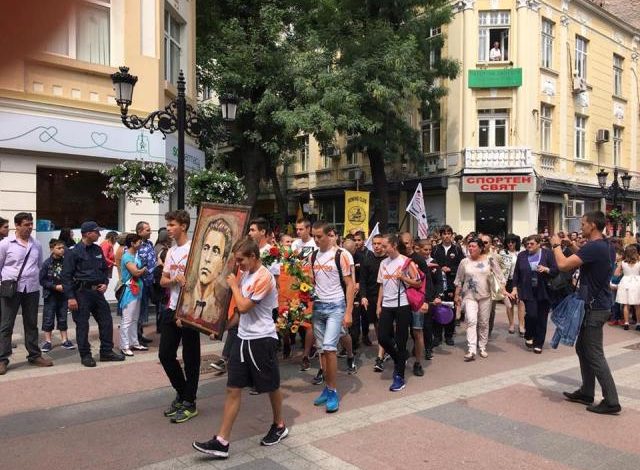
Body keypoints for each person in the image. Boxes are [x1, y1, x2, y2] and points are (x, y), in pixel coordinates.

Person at [192, 239, 289, 459]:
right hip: (243, 339)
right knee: (233, 388)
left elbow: (244, 306)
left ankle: (279, 425)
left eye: (241, 260)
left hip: (262, 339)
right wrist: (221, 328)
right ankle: (222, 441)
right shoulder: (245, 275)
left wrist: (234, 286)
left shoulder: (264, 277)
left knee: (271, 386)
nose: (238, 264)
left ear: (253, 256)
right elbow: (238, 312)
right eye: (237, 260)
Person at [550, 211, 621, 415]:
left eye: (583, 224)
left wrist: (556, 246)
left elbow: (563, 265)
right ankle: (587, 392)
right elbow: (585, 255)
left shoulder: (594, 247)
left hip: (594, 308)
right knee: (583, 348)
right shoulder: (605, 245)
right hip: (598, 305)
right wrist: (571, 245)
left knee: (594, 353)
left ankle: (611, 401)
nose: (580, 227)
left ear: (593, 226)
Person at [62, 221, 124, 367]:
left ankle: (106, 352)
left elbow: (104, 269)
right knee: (82, 325)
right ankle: (85, 355)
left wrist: (105, 283)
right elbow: (66, 276)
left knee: (106, 321)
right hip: (81, 293)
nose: (99, 234)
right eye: (96, 232)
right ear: (88, 233)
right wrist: (70, 297)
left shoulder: (97, 249)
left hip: (97, 292)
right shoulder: (73, 252)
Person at [159, 210, 201, 423]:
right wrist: (175, 279)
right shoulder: (171, 251)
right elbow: (163, 281)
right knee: (165, 355)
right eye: (168, 225)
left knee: (191, 358)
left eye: (172, 225)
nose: (169, 229)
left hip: (190, 310)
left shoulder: (195, 249)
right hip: (171, 308)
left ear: (183, 226)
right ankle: (183, 393)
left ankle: (189, 402)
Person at [310, 221, 354, 413]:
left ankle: (333, 392)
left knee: (329, 348)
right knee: (321, 350)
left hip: (336, 306)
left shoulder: (341, 255)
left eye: (319, 236)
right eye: (314, 236)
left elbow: (350, 284)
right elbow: (312, 282)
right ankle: (327, 389)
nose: (316, 239)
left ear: (330, 235)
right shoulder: (313, 255)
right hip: (318, 307)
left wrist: (348, 312)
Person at [0, 212, 52, 374]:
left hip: (31, 289)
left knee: (31, 323)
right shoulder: (5, 244)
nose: (30, 227)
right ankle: (2, 359)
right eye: (26, 225)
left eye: (31, 224)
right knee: (6, 324)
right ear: (17, 225)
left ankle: (34, 355)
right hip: (11, 289)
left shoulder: (36, 244)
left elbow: (39, 265)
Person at [376, 234, 422, 390]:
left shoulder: (406, 261)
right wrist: (378, 305)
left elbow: (418, 283)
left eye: (385, 246)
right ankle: (399, 358)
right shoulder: (383, 263)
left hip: (402, 305)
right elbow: (381, 285)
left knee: (401, 341)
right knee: (382, 337)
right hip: (387, 305)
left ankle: (399, 377)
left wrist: (404, 278)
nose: (382, 248)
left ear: (394, 245)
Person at [454, 238, 509, 362]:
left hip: (485, 296)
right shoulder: (464, 262)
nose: (471, 248)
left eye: (474, 246)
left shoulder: (489, 259)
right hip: (469, 296)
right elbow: (459, 279)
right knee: (471, 321)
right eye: (469, 246)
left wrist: (504, 290)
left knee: (484, 322)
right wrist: (457, 295)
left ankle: (482, 346)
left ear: (480, 248)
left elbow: (500, 276)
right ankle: (471, 349)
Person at [512, 234, 558, 354]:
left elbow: (556, 270)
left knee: (542, 318)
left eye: (532, 244)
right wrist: (515, 288)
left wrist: (546, 269)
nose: (529, 246)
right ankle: (529, 334)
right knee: (531, 315)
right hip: (528, 290)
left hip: (544, 290)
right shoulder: (522, 255)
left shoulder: (548, 254)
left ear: (539, 244)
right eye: (527, 244)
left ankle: (539, 343)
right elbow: (516, 273)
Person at [399, 232, 429, 377]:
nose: (404, 245)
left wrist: (426, 301)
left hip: (416, 301)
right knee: (401, 332)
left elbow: (427, 281)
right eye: (402, 243)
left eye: (406, 242)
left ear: (412, 243)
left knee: (417, 332)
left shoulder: (419, 259)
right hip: (401, 301)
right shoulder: (397, 259)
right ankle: (401, 358)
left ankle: (418, 363)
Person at [432, 225, 465, 346]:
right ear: (441, 235)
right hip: (438, 284)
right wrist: (439, 268)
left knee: (450, 309)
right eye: (444, 234)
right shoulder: (435, 249)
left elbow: (462, 266)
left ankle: (449, 335)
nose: (446, 236)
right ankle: (437, 336)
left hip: (451, 284)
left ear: (452, 235)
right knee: (437, 309)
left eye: (448, 233)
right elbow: (431, 263)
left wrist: (451, 269)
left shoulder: (457, 249)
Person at [39, 239, 75, 352]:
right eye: (58, 248)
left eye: (63, 248)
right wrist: (54, 286)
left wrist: (68, 287)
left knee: (63, 317)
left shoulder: (66, 262)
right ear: (52, 249)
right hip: (50, 295)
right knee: (48, 318)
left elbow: (71, 277)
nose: (62, 250)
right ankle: (48, 341)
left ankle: (65, 340)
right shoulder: (47, 263)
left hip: (63, 295)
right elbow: (42, 280)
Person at [359, 234, 388, 371]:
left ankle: (380, 357)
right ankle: (384, 349)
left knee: (384, 326)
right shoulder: (367, 260)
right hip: (371, 298)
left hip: (387, 298)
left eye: (379, 244)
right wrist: (363, 296)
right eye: (374, 243)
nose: (376, 246)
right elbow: (362, 280)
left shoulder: (388, 260)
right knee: (377, 325)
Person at [119, 233, 148, 356]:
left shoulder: (135, 255)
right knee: (127, 319)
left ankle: (134, 342)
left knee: (134, 318)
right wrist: (144, 269)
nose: (141, 244)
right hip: (129, 291)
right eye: (139, 242)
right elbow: (135, 272)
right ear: (132, 243)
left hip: (137, 290)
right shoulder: (127, 257)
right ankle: (124, 346)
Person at [136, 221, 157, 345]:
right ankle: (136, 337)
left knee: (144, 309)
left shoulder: (149, 244)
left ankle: (140, 334)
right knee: (138, 311)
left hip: (149, 282)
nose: (150, 232)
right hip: (140, 282)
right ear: (140, 231)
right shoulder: (134, 245)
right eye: (147, 230)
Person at [500, 234, 523, 335]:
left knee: (521, 303)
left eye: (512, 242)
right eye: (508, 242)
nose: (510, 244)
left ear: (516, 243)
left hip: (520, 280)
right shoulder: (502, 253)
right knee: (509, 304)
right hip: (508, 280)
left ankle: (521, 325)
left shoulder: (521, 253)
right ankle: (511, 324)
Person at [613, 244, 640, 331]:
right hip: (637, 282)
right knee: (637, 305)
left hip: (625, 282)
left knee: (626, 304)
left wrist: (622, 271)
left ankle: (626, 323)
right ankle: (638, 324)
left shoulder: (623, 263)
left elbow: (616, 274)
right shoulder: (639, 262)